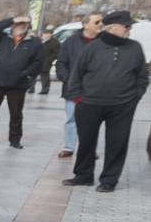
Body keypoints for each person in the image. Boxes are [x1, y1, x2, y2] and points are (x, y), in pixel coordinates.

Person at [61, 11, 148, 193]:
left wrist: (136, 96)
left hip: (122, 106)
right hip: (89, 104)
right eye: (126, 26)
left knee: (117, 143)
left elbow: (142, 76)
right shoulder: (93, 47)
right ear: (113, 27)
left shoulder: (135, 48)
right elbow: (76, 74)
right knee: (86, 141)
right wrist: (78, 98)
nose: (129, 30)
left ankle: (109, 180)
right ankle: (83, 176)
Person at [0, 14, 42, 149]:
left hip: (18, 84)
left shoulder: (34, 42)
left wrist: (26, 74)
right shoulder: (2, 38)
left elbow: (38, 62)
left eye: (23, 24)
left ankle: (15, 140)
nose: (20, 26)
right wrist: (13, 19)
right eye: (18, 24)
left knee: (16, 114)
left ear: (28, 26)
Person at [54, 12, 102, 159]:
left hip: (95, 90)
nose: (101, 24)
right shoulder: (71, 41)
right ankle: (69, 147)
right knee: (72, 119)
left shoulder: (104, 42)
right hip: (73, 90)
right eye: (97, 22)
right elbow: (61, 63)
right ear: (86, 24)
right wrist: (69, 80)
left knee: (92, 122)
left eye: (102, 22)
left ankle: (88, 149)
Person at [30, 27, 59, 95]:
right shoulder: (40, 41)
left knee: (44, 77)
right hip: (37, 62)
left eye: (46, 34)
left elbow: (56, 54)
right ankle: (31, 88)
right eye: (44, 33)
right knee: (33, 75)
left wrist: (49, 60)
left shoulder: (55, 43)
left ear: (50, 34)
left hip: (46, 62)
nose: (44, 35)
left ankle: (45, 90)